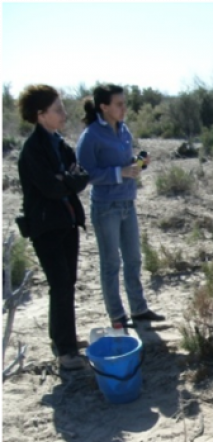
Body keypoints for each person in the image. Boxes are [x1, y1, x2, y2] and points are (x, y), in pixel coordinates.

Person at [76, 84, 164, 329]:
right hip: (106, 207)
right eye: (119, 104)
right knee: (111, 263)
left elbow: (126, 166)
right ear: (104, 107)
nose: (124, 108)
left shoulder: (123, 130)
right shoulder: (91, 136)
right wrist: (119, 172)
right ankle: (117, 316)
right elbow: (85, 174)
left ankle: (138, 309)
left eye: (124, 103)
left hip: (127, 202)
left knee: (134, 258)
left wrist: (139, 164)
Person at [17, 85, 90, 370]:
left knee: (66, 282)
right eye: (57, 109)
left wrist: (66, 179)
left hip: (67, 222)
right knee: (60, 283)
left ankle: (62, 339)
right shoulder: (32, 150)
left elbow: (80, 176)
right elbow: (49, 187)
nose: (63, 114)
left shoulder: (60, 145)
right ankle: (66, 351)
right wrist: (65, 179)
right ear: (40, 115)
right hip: (45, 227)